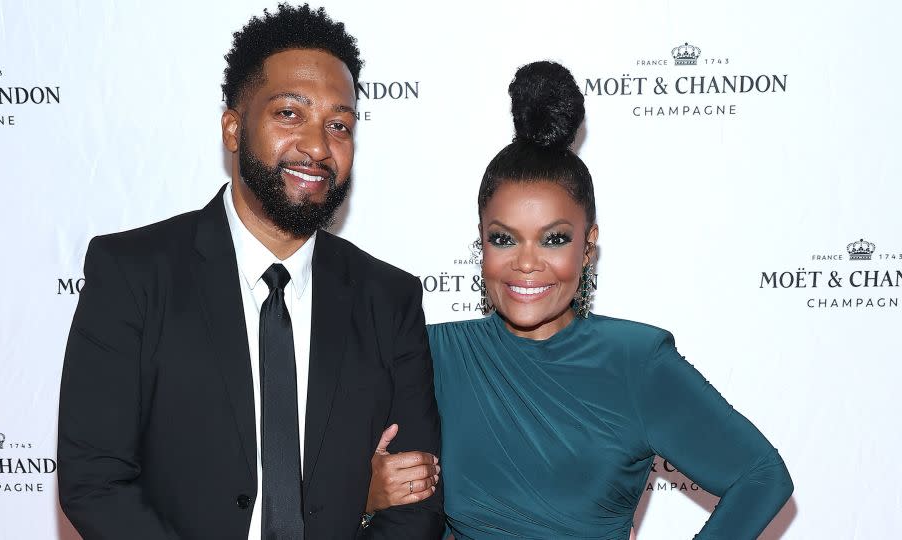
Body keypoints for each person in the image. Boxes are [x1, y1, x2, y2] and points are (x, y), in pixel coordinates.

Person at [57, 5, 442, 539]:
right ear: (233, 129)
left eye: (339, 125)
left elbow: (417, 503)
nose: (317, 147)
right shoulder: (132, 274)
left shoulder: (389, 298)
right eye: (289, 113)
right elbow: (95, 482)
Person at [384, 61, 794, 539]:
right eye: (504, 239)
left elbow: (761, 477)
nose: (527, 262)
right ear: (481, 241)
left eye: (554, 239)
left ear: (589, 242)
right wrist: (369, 494)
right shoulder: (431, 354)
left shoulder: (635, 362)